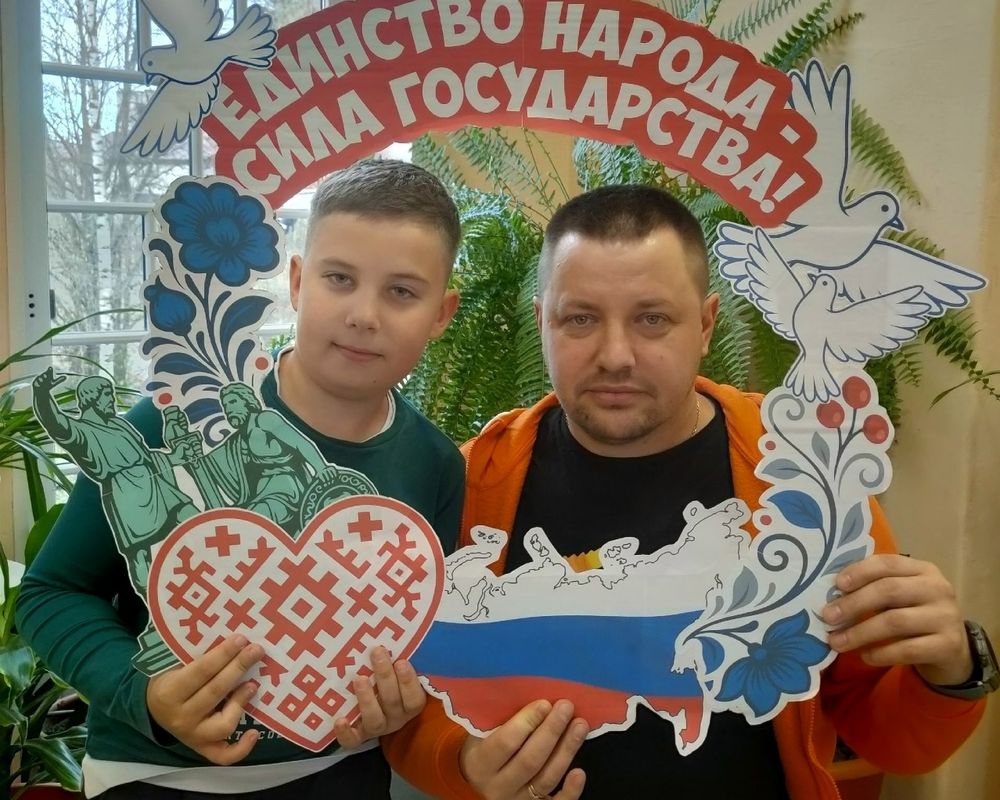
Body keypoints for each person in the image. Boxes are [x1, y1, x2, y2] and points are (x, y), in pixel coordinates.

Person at [384, 185, 991, 800]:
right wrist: (461, 762)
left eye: (652, 319)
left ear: (704, 325)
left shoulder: (800, 475)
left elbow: (883, 729)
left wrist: (950, 672)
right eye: (580, 319)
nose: (615, 356)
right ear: (542, 323)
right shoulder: (468, 483)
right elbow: (410, 697)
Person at [16, 159, 465, 799]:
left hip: (340, 773)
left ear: (442, 313)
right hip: (154, 774)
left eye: (401, 292)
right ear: (298, 282)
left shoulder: (437, 464)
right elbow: (51, 592)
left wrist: (401, 699)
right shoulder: (170, 416)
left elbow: (420, 637)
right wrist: (142, 692)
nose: (364, 314)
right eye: (340, 278)